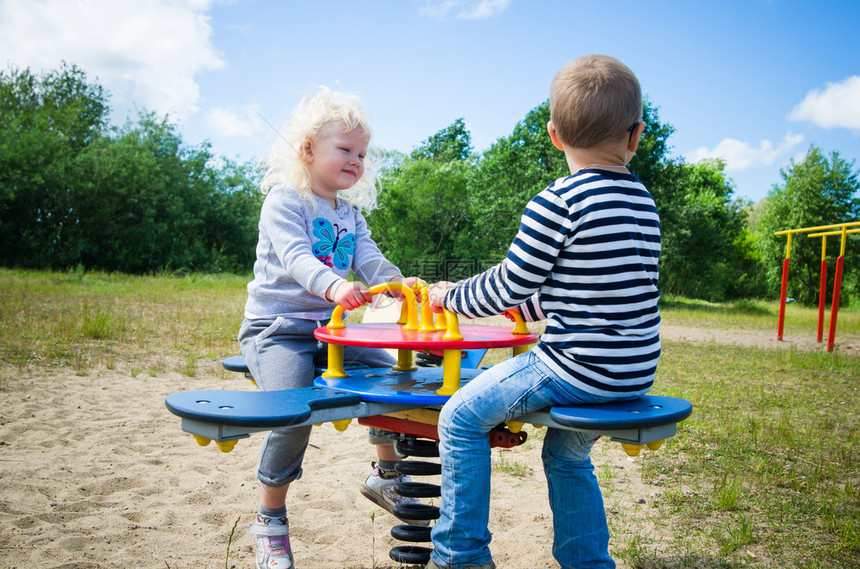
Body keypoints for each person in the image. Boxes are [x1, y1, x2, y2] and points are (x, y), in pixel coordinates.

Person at [426, 54, 661, 569]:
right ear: (635, 135)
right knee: (566, 454)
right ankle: (587, 563)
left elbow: (509, 284)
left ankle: (459, 557)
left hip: (576, 367)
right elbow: (586, 287)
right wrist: (527, 308)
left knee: (459, 417)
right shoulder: (642, 202)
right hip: (633, 370)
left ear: (554, 135)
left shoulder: (561, 200)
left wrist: (451, 297)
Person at [238, 87, 422, 569]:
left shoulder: (350, 214)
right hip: (275, 330)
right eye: (345, 149)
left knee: (395, 382)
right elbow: (297, 258)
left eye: (361, 154)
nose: (355, 160)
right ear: (307, 150)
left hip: (326, 332)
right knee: (294, 412)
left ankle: (385, 474)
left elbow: (370, 261)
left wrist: (401, 286)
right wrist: (335, 287)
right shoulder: (285, 201)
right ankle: (270, 518)